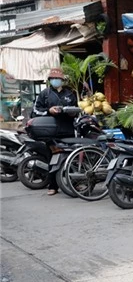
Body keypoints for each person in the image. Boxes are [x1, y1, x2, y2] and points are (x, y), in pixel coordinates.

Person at [32, 67, 77, 196]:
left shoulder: (69, 94)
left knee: (70, 159)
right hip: (50, 132)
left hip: (67, 130)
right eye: (53, 79)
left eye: (58, 79)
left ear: (62, 80)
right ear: (50, 80)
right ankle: (53, 186)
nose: (56, 80)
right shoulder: (44, 94)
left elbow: (76, 110)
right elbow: (35, 111)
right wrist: (49, 111)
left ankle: (74, 184)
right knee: (53, 159)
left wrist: (72, 113)